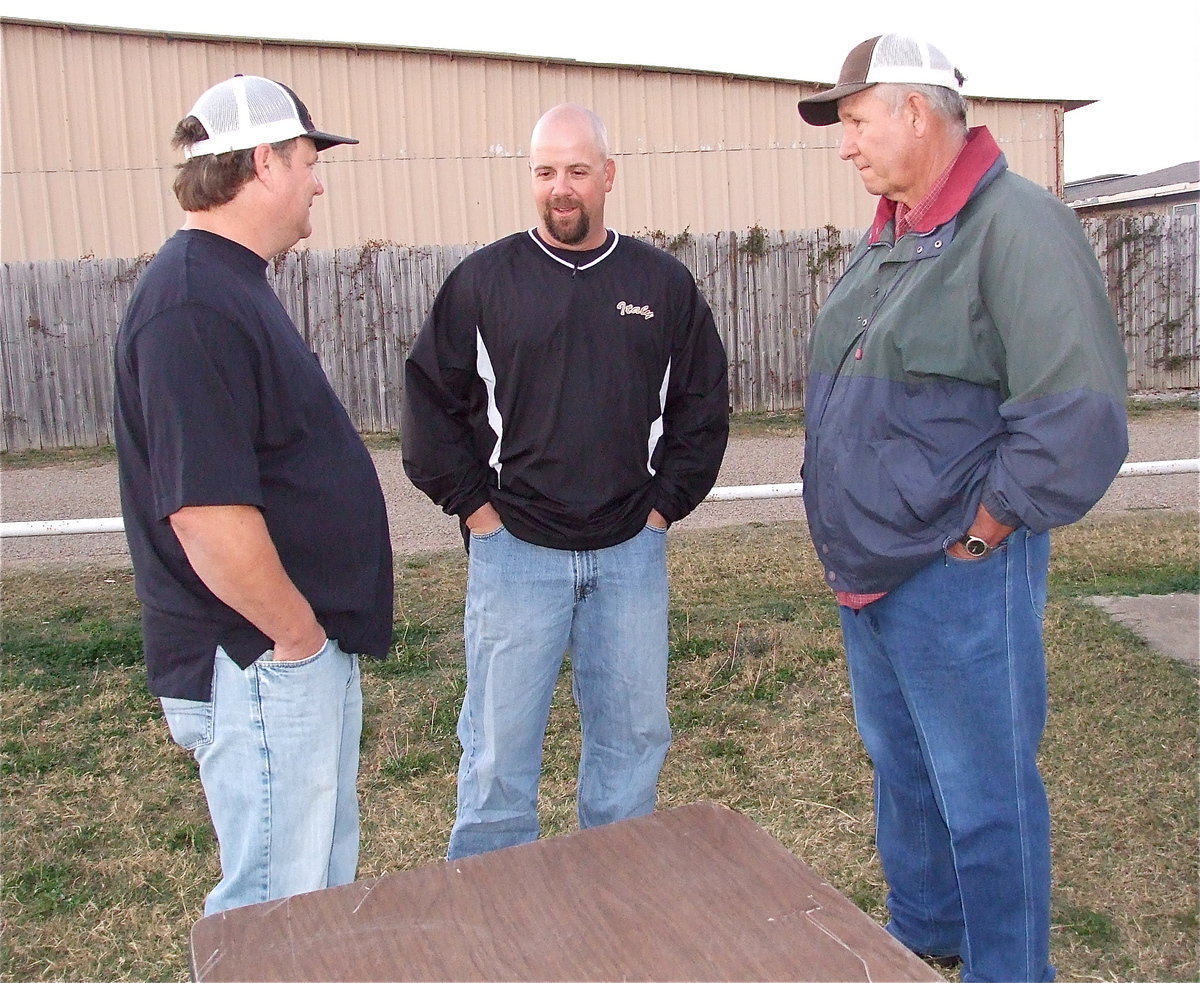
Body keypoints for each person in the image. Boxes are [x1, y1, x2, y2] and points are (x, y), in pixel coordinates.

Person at [795, 35, 1127, 982]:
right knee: (904, 775)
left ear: (915, 110)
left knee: (985, 794)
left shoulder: (1016, 226)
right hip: (874, 576)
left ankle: (1007, 967)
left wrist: (985, 535)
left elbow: (1079, 417)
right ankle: (926, 935)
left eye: (856, 121)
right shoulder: (893, 236)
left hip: (957, 575)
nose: (847, 144)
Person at [402, 103, 729, 860]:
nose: (561, 188)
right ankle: (490, 915)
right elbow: (430, 406)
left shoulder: (662, 283)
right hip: (516, 553)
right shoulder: (484, 282)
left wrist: (663, 509)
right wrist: (478, 513)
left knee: (632, 742)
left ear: (608, 176)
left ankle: (612, 904)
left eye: (577, 171)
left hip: (629, 556)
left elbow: (703, 405)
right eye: (545, 171)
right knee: (497, 752)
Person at [113, 75, 394, 915]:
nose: (318, 180)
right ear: (263, 160)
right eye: (309, 158)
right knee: (275, 913)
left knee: (308, 895)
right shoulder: (193, 304)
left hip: (279, 659)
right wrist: (300, 638)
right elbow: (206, 515)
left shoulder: (226, 284)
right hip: (260, 660)